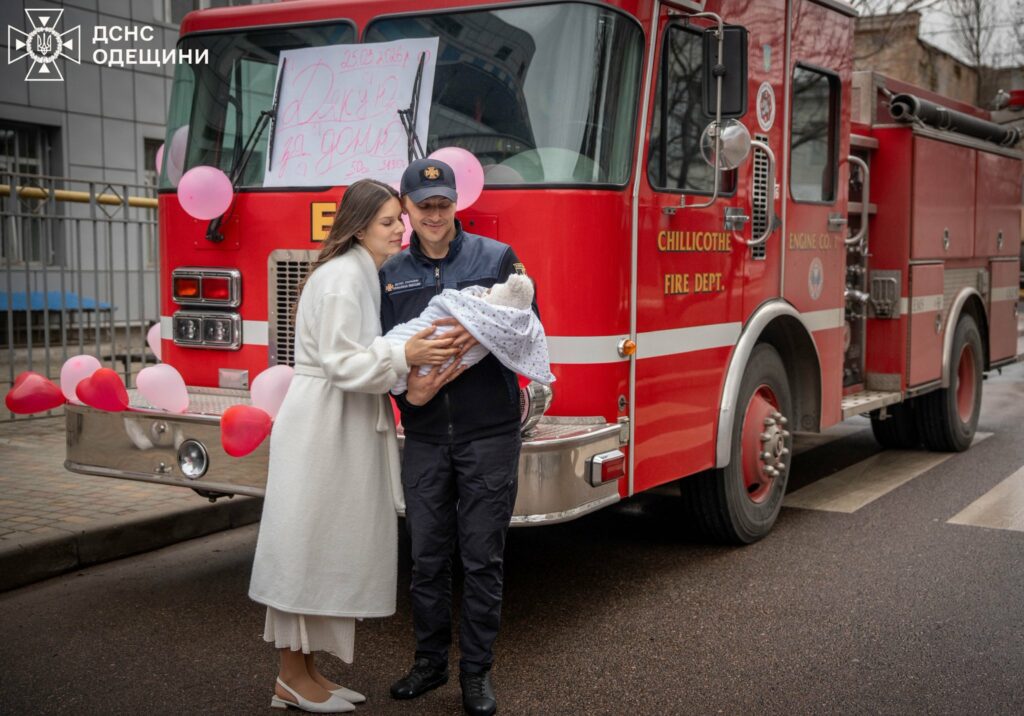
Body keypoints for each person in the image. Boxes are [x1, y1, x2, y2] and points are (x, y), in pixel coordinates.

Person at [249, 179, 465, 714]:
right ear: (360, 224)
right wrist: (407, 355)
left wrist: (401, 356)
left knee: (318, 545)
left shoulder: (354, 271)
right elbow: (344, 363)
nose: (401, 229)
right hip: (326, 426)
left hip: (334, 423)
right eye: (389, 221)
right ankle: (290, 678)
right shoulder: (346, 277)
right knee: (308, 545)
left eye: (400, 219)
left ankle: (304, 673)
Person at [381, 158, 539, 716]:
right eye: (424, 205)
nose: (435, 213)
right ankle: (429, 664)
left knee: (481, 558)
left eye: (443, 203)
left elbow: (523, 329)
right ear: (406, 207)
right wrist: (408, 399)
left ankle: (475, 674)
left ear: (456, 203)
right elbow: (385, 353)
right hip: (424, 435)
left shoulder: (496, 259)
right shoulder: (391, 271)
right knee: (425, 556)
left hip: (489, 434)